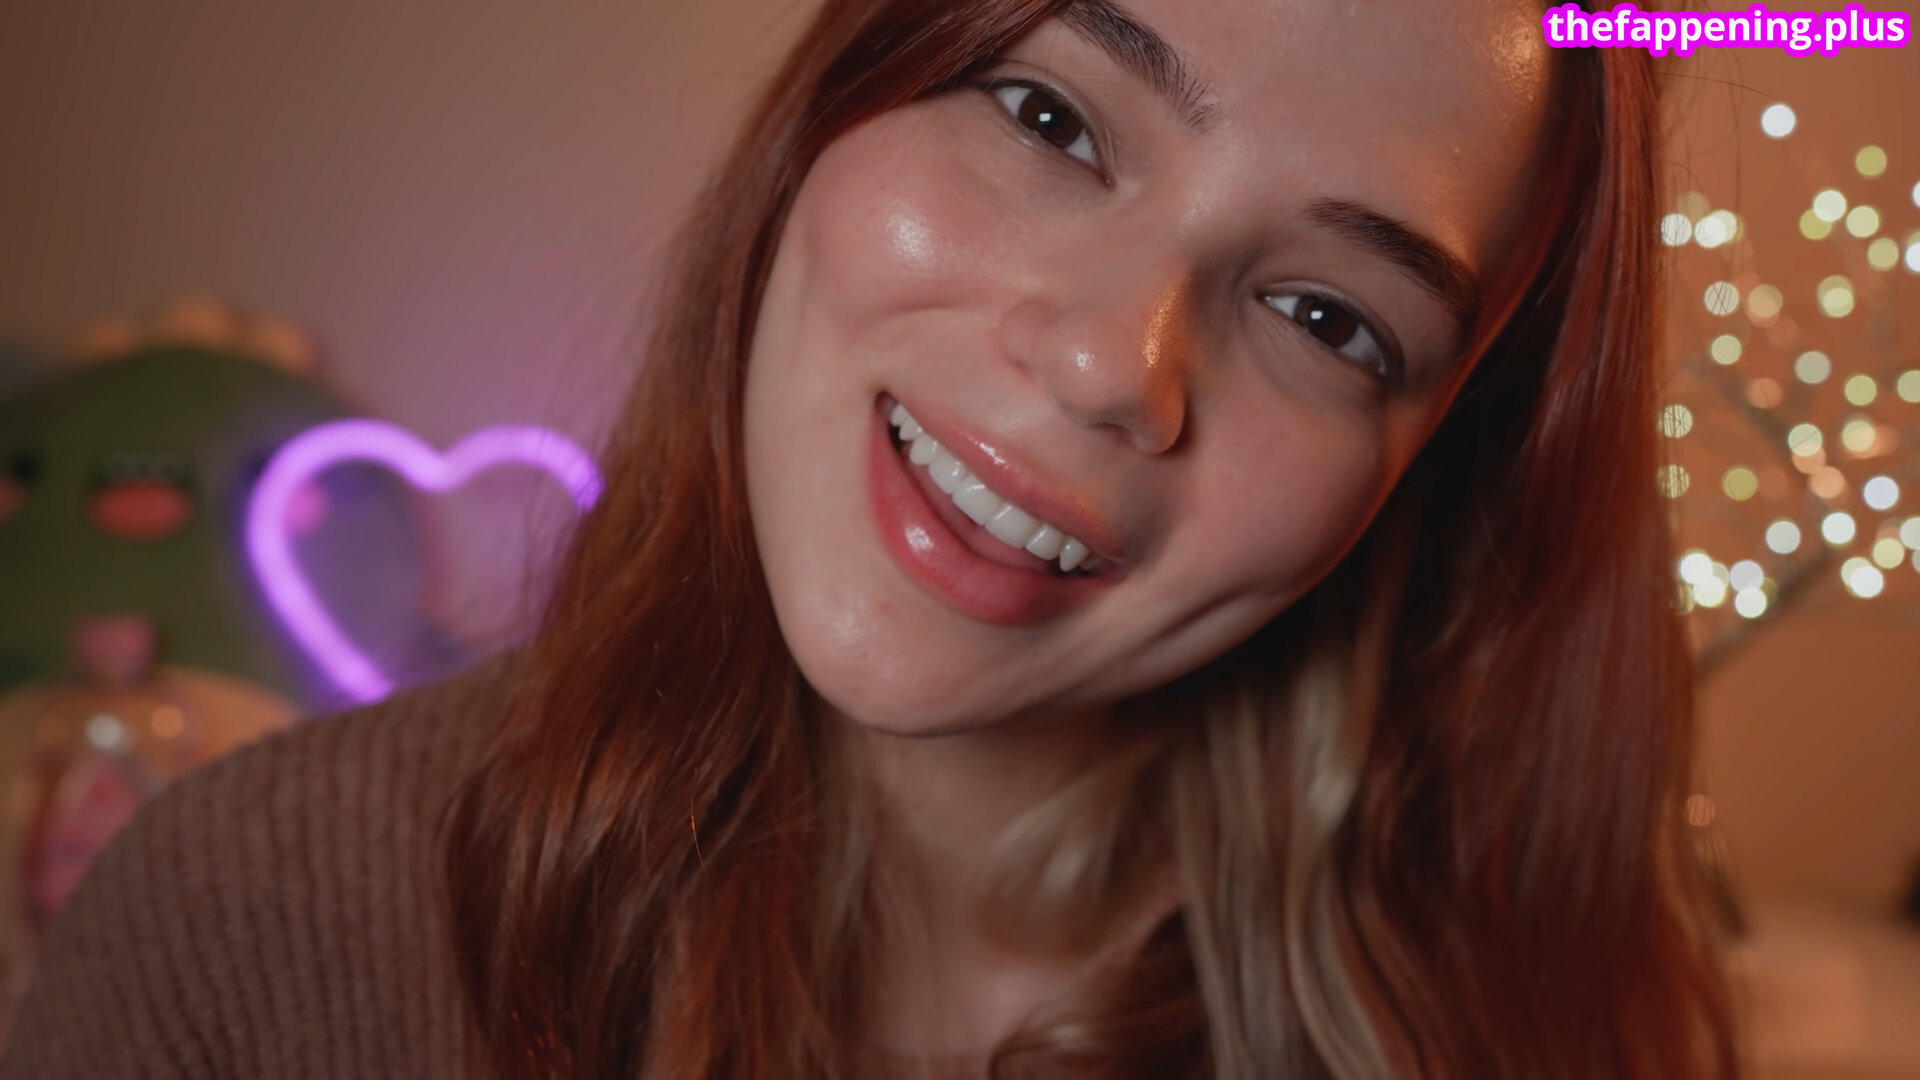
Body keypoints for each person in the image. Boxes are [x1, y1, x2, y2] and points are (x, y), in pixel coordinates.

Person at [4, 0, 1743, 1076]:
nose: (1109, 365)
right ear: (842, 97)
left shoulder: (1531, 1017)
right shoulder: (249, 929)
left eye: (1328, 318)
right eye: (1054, 120)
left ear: (1427, 478)